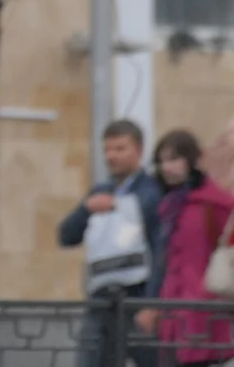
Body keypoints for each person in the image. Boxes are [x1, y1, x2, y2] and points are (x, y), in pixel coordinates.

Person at [58, 119, 161, 367]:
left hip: (137, 296)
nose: (111, 156)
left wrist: (153, 302)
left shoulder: (151, 189)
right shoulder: (100, 191)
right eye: (107, 149)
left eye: (120, 148)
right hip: (101, 299)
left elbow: (159, 247)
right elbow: (66, 235)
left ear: (139, 150)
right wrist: (86, 209)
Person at [136, 129, 234, 367]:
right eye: (162, 161)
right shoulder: (168, 206)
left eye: (174, 159)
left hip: (208, 309)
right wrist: (153, 303)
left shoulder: (215, 203)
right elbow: (163, 262)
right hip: (172, 309)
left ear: (192, 159)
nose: (167, 167)